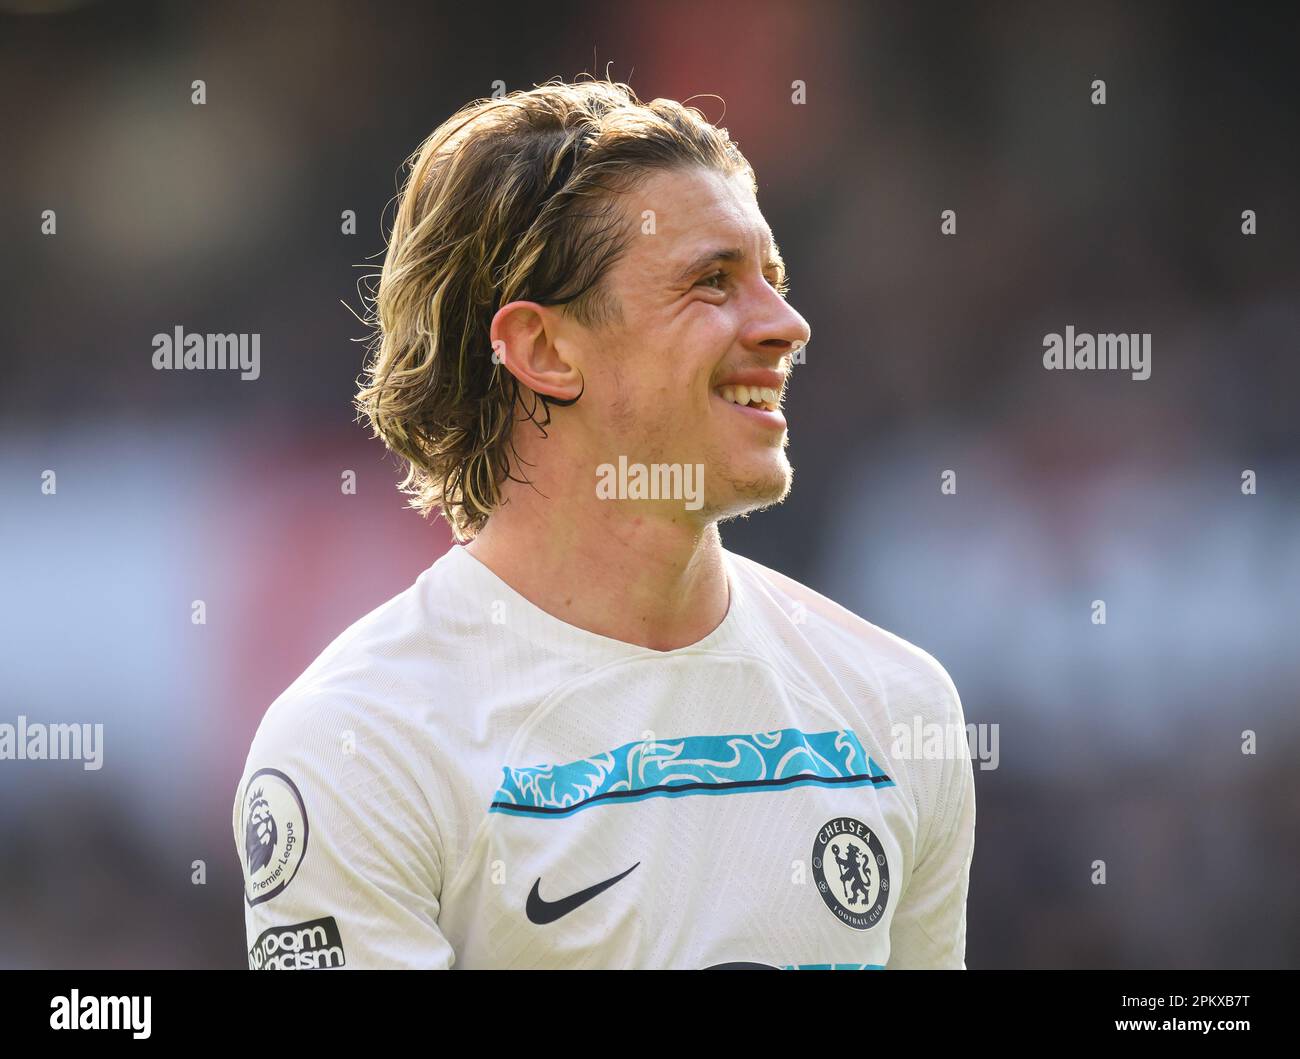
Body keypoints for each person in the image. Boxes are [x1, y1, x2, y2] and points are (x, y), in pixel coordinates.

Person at [233, 78, 975, 970]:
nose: (787, 325)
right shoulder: (360, 744)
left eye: (772, 281)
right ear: (546, 351)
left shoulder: (898, 705)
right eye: (713, 283)